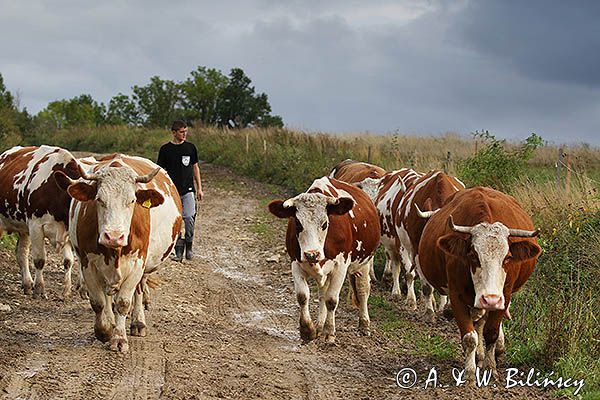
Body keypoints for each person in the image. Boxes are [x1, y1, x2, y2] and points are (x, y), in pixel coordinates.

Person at [157, 120, 204, 261]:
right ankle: (178, 252)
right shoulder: (165, 150)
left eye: (186, 131)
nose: (184, 134)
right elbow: (160, 171)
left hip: (188, 190)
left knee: (189, 218)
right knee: (175, 221)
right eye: (182, 132)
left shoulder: (190, 148)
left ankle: (189, 246)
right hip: (172, 192)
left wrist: (200, 188)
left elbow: (195, 167)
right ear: (174, 132)